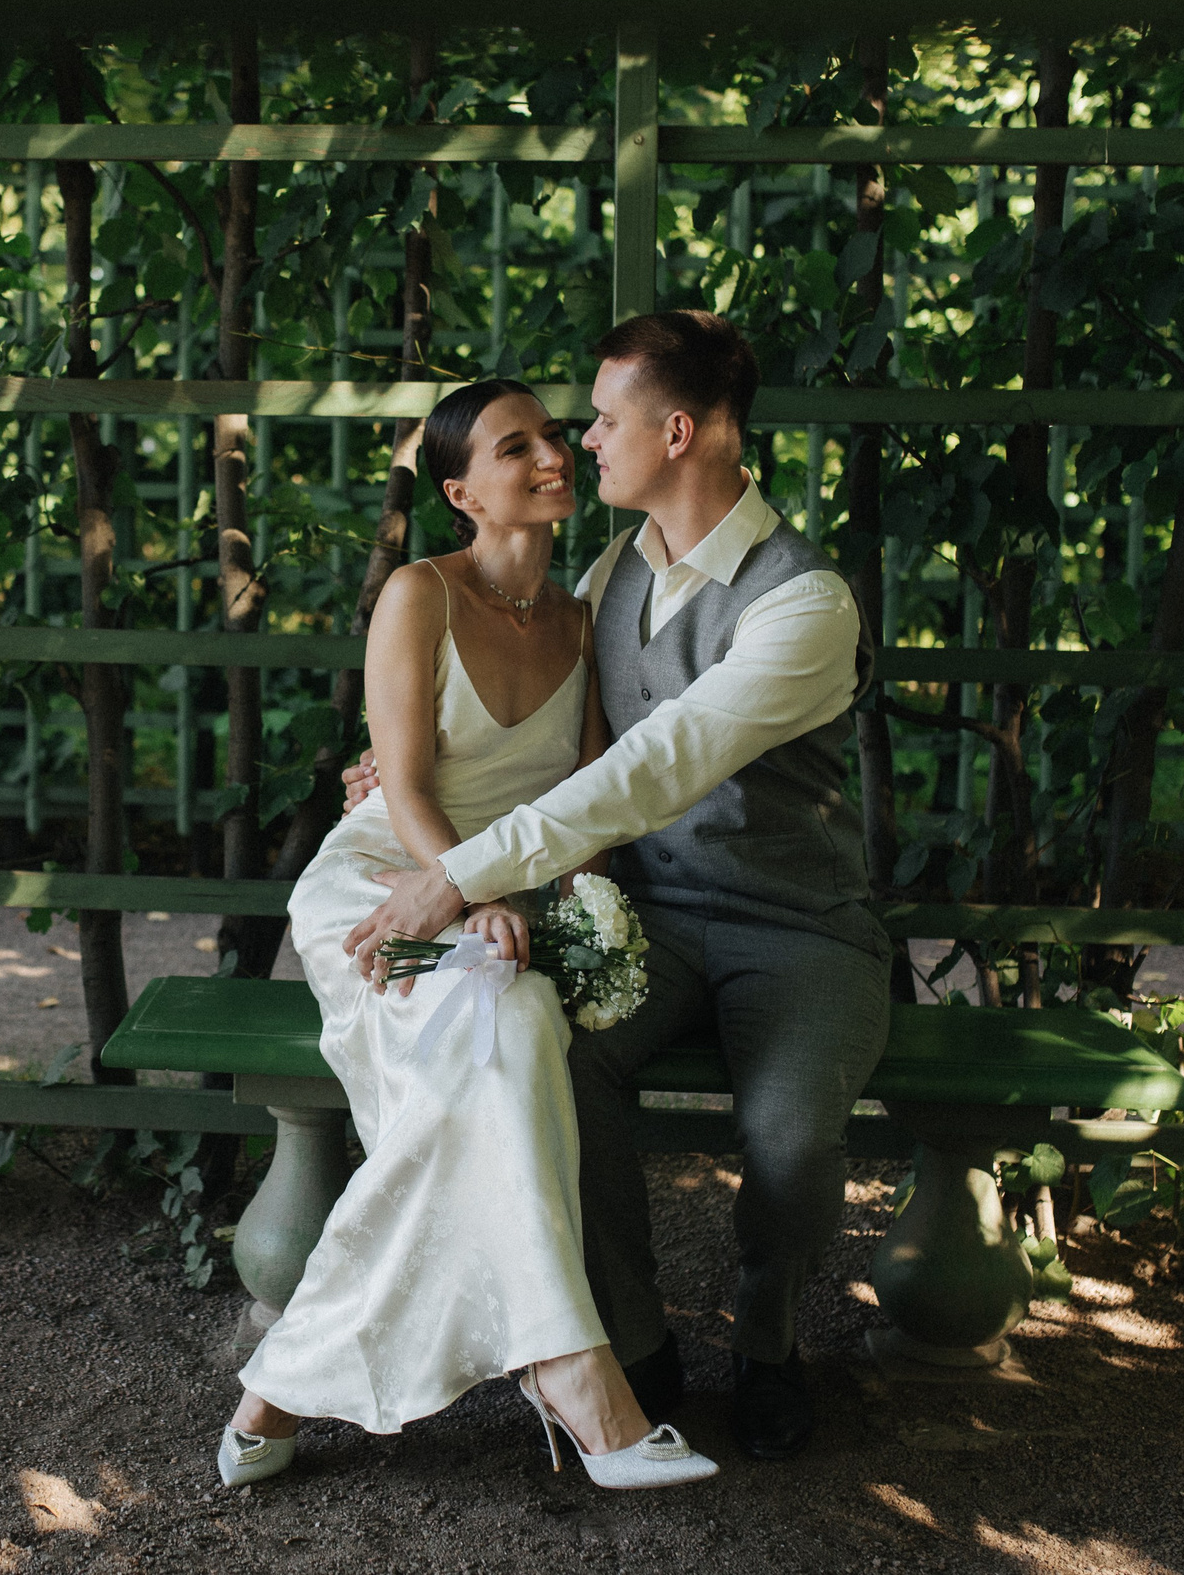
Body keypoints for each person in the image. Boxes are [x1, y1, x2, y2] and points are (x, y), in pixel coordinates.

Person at [341, 310, 890, 1462]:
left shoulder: (806, 601)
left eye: (601, 419)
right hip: (649, 920)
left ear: (677, 431)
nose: (581, 440)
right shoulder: (607, 572)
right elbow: (555, 751)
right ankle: (634, 1347)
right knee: (549, 1061)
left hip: (799, 929)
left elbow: (653, 764)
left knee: (789, 1145)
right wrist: (403, 771)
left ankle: (770, 1342)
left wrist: (456, 874)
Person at [216, 379, 718, 1494]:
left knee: (508, 1026)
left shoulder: (584, 620)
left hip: (499, 894)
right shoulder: (417, 595)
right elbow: (394, 777)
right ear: (460, 491)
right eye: (515, 446)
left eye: (553, 436)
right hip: (385, 878)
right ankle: (577, 1375)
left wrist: (561, 904)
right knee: (504, 1021)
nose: (550, 454)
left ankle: (281, 1384)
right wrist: (459, 879)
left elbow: (589, 797)